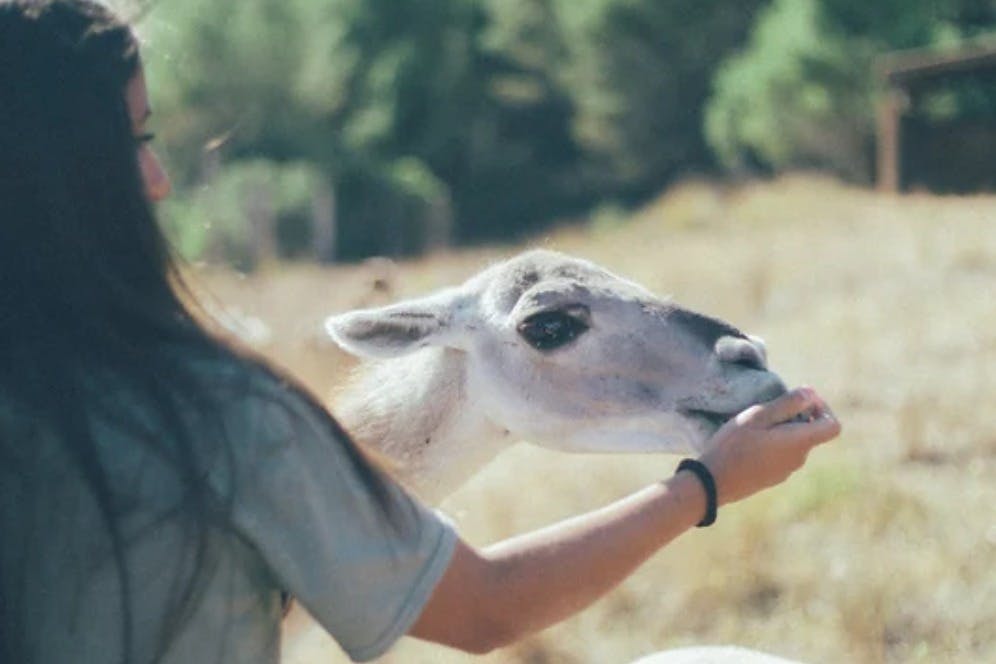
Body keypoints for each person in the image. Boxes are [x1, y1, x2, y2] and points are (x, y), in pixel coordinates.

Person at [0, 1, 842, 663]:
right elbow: (484, 609)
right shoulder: (216, 421)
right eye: (129, 141)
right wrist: (705, 485)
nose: (157, 176)